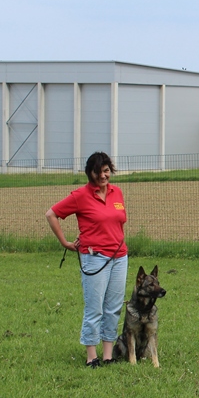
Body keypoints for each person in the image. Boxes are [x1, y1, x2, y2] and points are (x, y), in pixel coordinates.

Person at [46, 152, 128, 368]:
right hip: (95, 258)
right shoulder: (80, 196)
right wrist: (65, 243)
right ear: (90, 173)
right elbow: (51, 214)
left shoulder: (117, 193)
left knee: (113, 307)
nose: (103, 176)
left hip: (119, 257)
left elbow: (118, 222)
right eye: (98, 171)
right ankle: (92, 356)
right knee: (95, 308)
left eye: (106, 171)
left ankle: (108, 355)